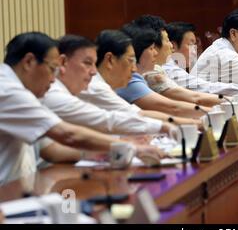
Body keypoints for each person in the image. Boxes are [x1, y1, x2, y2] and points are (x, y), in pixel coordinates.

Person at [0, 32, 163, 185]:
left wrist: (109, 150)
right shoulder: (9, 91)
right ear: (29, 62)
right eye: (52, 69)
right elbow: (69, 134)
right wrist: (130, 146)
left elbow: (51, 149)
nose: (53, 78)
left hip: (23, 188)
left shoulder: (21, 91)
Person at [78, 30, 201, 127]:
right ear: (110, 60)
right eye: (130, 60)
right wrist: (196, 124)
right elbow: (140, 115)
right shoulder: (97, 86)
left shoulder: (107, 84)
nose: (134, 69)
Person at [118, 25, 210, 118]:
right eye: (151, 48)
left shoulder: (144, 73)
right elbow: (174, 107)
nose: (155, 53)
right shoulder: (133, 80)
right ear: (137, 50)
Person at [163, 22, 238, 96]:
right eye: (190, 44)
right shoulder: (169, 69)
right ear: (173, 46)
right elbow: (206, 88)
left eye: (195, 45)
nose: (194, 51)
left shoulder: (176, 68)